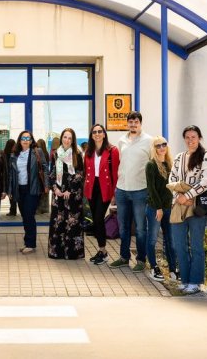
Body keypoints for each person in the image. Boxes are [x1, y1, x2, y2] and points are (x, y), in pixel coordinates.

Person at [168, 125, 207, 295]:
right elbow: (172, 178)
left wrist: (188, 196)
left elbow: (206, 182)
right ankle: (185, 280)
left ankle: (195, 282)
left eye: (193, 137)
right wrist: (179, 197)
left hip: (196, 207)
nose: (190, 140)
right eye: (187, 137)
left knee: (196, 245)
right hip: (179, 204)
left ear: (199, 138)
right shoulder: (179, 157)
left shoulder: (206, 156)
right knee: (179, 245)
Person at [110, 111, 152, 272]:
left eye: (136, 122)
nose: (133, 125)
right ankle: (123, 257)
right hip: (122, 190)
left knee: (141, 228)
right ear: (127, 124)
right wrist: (115, 190)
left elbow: (153, 164)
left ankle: (141, 260)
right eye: (130, 122)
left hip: (140, 190)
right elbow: (120, 164)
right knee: (123, 227)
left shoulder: (149, 141)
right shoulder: (122, 141)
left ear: (141, 123)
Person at [6, 130, 49, 254]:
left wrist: (46, 185)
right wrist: (10, 190)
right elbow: (11, 174)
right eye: (23, 138)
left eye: (28, 138)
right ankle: (28, 241)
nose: (25, 141)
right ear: (19, 140)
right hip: (19, 189)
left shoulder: (37, 152)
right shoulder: (14, 154)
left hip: (32, 188)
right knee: (24, 216)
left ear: (31, 141)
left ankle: (30, 244)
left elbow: (45, 168)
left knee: (29, 215)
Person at [83, 123, 120, 265]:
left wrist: (114, 194)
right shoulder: (88, 151)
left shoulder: (112, 150)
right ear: (91, 136)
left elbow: (115, 173)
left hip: (106, 188)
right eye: (94, 132)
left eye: (100, 131)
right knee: (96, 220)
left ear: (104, 134)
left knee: (98, 218)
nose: (97, 134)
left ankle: (103, 251)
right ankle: (101, 251)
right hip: (92, 188)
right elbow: (87, 171)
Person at [47, 128, 86, 260]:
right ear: (61, 138)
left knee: (72, 224)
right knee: (58, 222)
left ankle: (72, 253)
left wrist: (70, 190)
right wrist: (55, 188)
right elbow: (51, 173)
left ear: (73, 140)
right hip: (58, 193)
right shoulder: (56, 154)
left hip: (73, 195)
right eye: (65, 137)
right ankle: (57, 252)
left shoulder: (77, 153)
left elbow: (80, 174)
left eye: (70, 138)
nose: (67, 140)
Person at [145, 136, 176, 281]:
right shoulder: (151, 165)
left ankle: (173, 269)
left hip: (169, 208)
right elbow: (151, 189)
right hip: (155, 209)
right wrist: (158, 208)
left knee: (170, 240)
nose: (162, 147)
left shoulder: (170, 163)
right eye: (158, 145)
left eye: (164, 144)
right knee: (152, 239)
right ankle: (153, 267)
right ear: (154, 148)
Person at [3, 138, 18, 216]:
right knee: (10, 193)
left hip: (13, 177)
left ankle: (13, 210)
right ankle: (12, 210)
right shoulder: (6, 155)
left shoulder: (14, 155)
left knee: (13, 193)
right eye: (14, 145)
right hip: (8, 177)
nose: (15, 147)